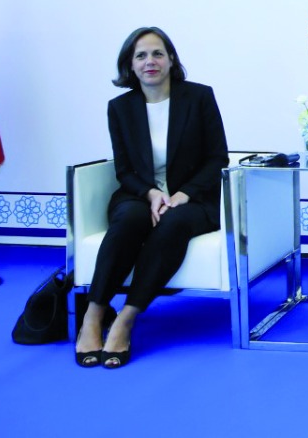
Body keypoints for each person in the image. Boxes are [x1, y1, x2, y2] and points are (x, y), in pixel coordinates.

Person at [74, 27, 228, 369]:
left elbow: (217, 157)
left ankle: (126, 318)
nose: (150, 62)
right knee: (129, 219)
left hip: (194, 199)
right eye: (140, 55)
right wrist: (153, 193)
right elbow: (125, 170)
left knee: (172, 224)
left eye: (157, 53)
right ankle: (94, 314)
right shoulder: (120, 108)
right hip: (139, 194)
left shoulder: (199, 97)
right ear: (130, 64)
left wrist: (183, 194)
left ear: (171, 59)